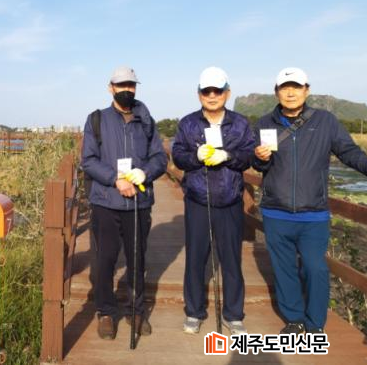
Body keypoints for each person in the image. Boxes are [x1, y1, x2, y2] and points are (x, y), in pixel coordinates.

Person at [253, 67, 367, 334]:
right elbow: (258, 165)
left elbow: (349, 152)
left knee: (315, 267)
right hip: (276, 211)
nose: (290, 92)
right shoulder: (264, 123)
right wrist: (259, 158)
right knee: (284, 269)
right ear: (276, 92)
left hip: (314, 213)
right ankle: (294, 319)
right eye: (285, 87)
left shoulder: (325, 121)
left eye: (296, 87)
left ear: (306, 90)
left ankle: (315, 324)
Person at [81, 66, 167, 340]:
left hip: (139, 203)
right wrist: (115, 179)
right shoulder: (96, 120)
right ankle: (106, 312)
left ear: (136, 87)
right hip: (106, 202)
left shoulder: (147, 120)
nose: (126, 89)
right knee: (105, 260)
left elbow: (160, 158)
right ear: (111, 88)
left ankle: (136, 311)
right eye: (121, 85)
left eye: (131, 85)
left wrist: (146, 172)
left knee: (137, 259)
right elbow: (88, 160)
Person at [172, 67, 255, 335]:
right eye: (206, 91)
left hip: (230, 200)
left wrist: (228, 156)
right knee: (196, 258)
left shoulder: (240, 123)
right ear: (199, 94)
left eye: (217, 90)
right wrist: (195, 156)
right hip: (198, 199)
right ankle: (194, 311)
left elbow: (249, 156)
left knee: (231, 260)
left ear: (227, 93)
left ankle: (234, 314)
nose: (212, 95)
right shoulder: (188, 123)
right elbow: (177, 156)